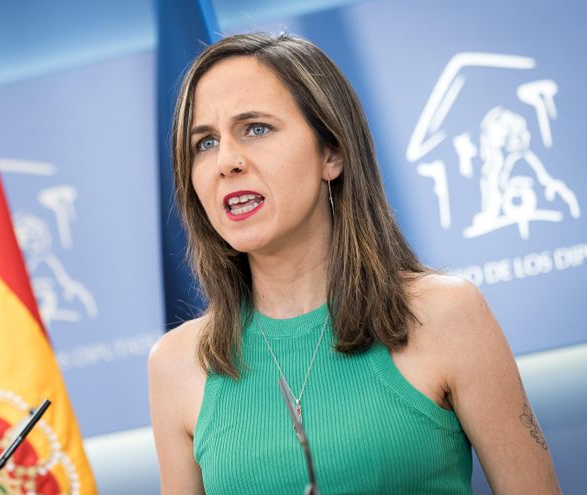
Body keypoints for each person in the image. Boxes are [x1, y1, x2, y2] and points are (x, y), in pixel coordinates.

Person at [147, 33, 561, 494]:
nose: (226, 161)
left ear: (332, 153)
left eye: (256, 129)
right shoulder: (176, 364)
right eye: (204, 143)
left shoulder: (447, 315)